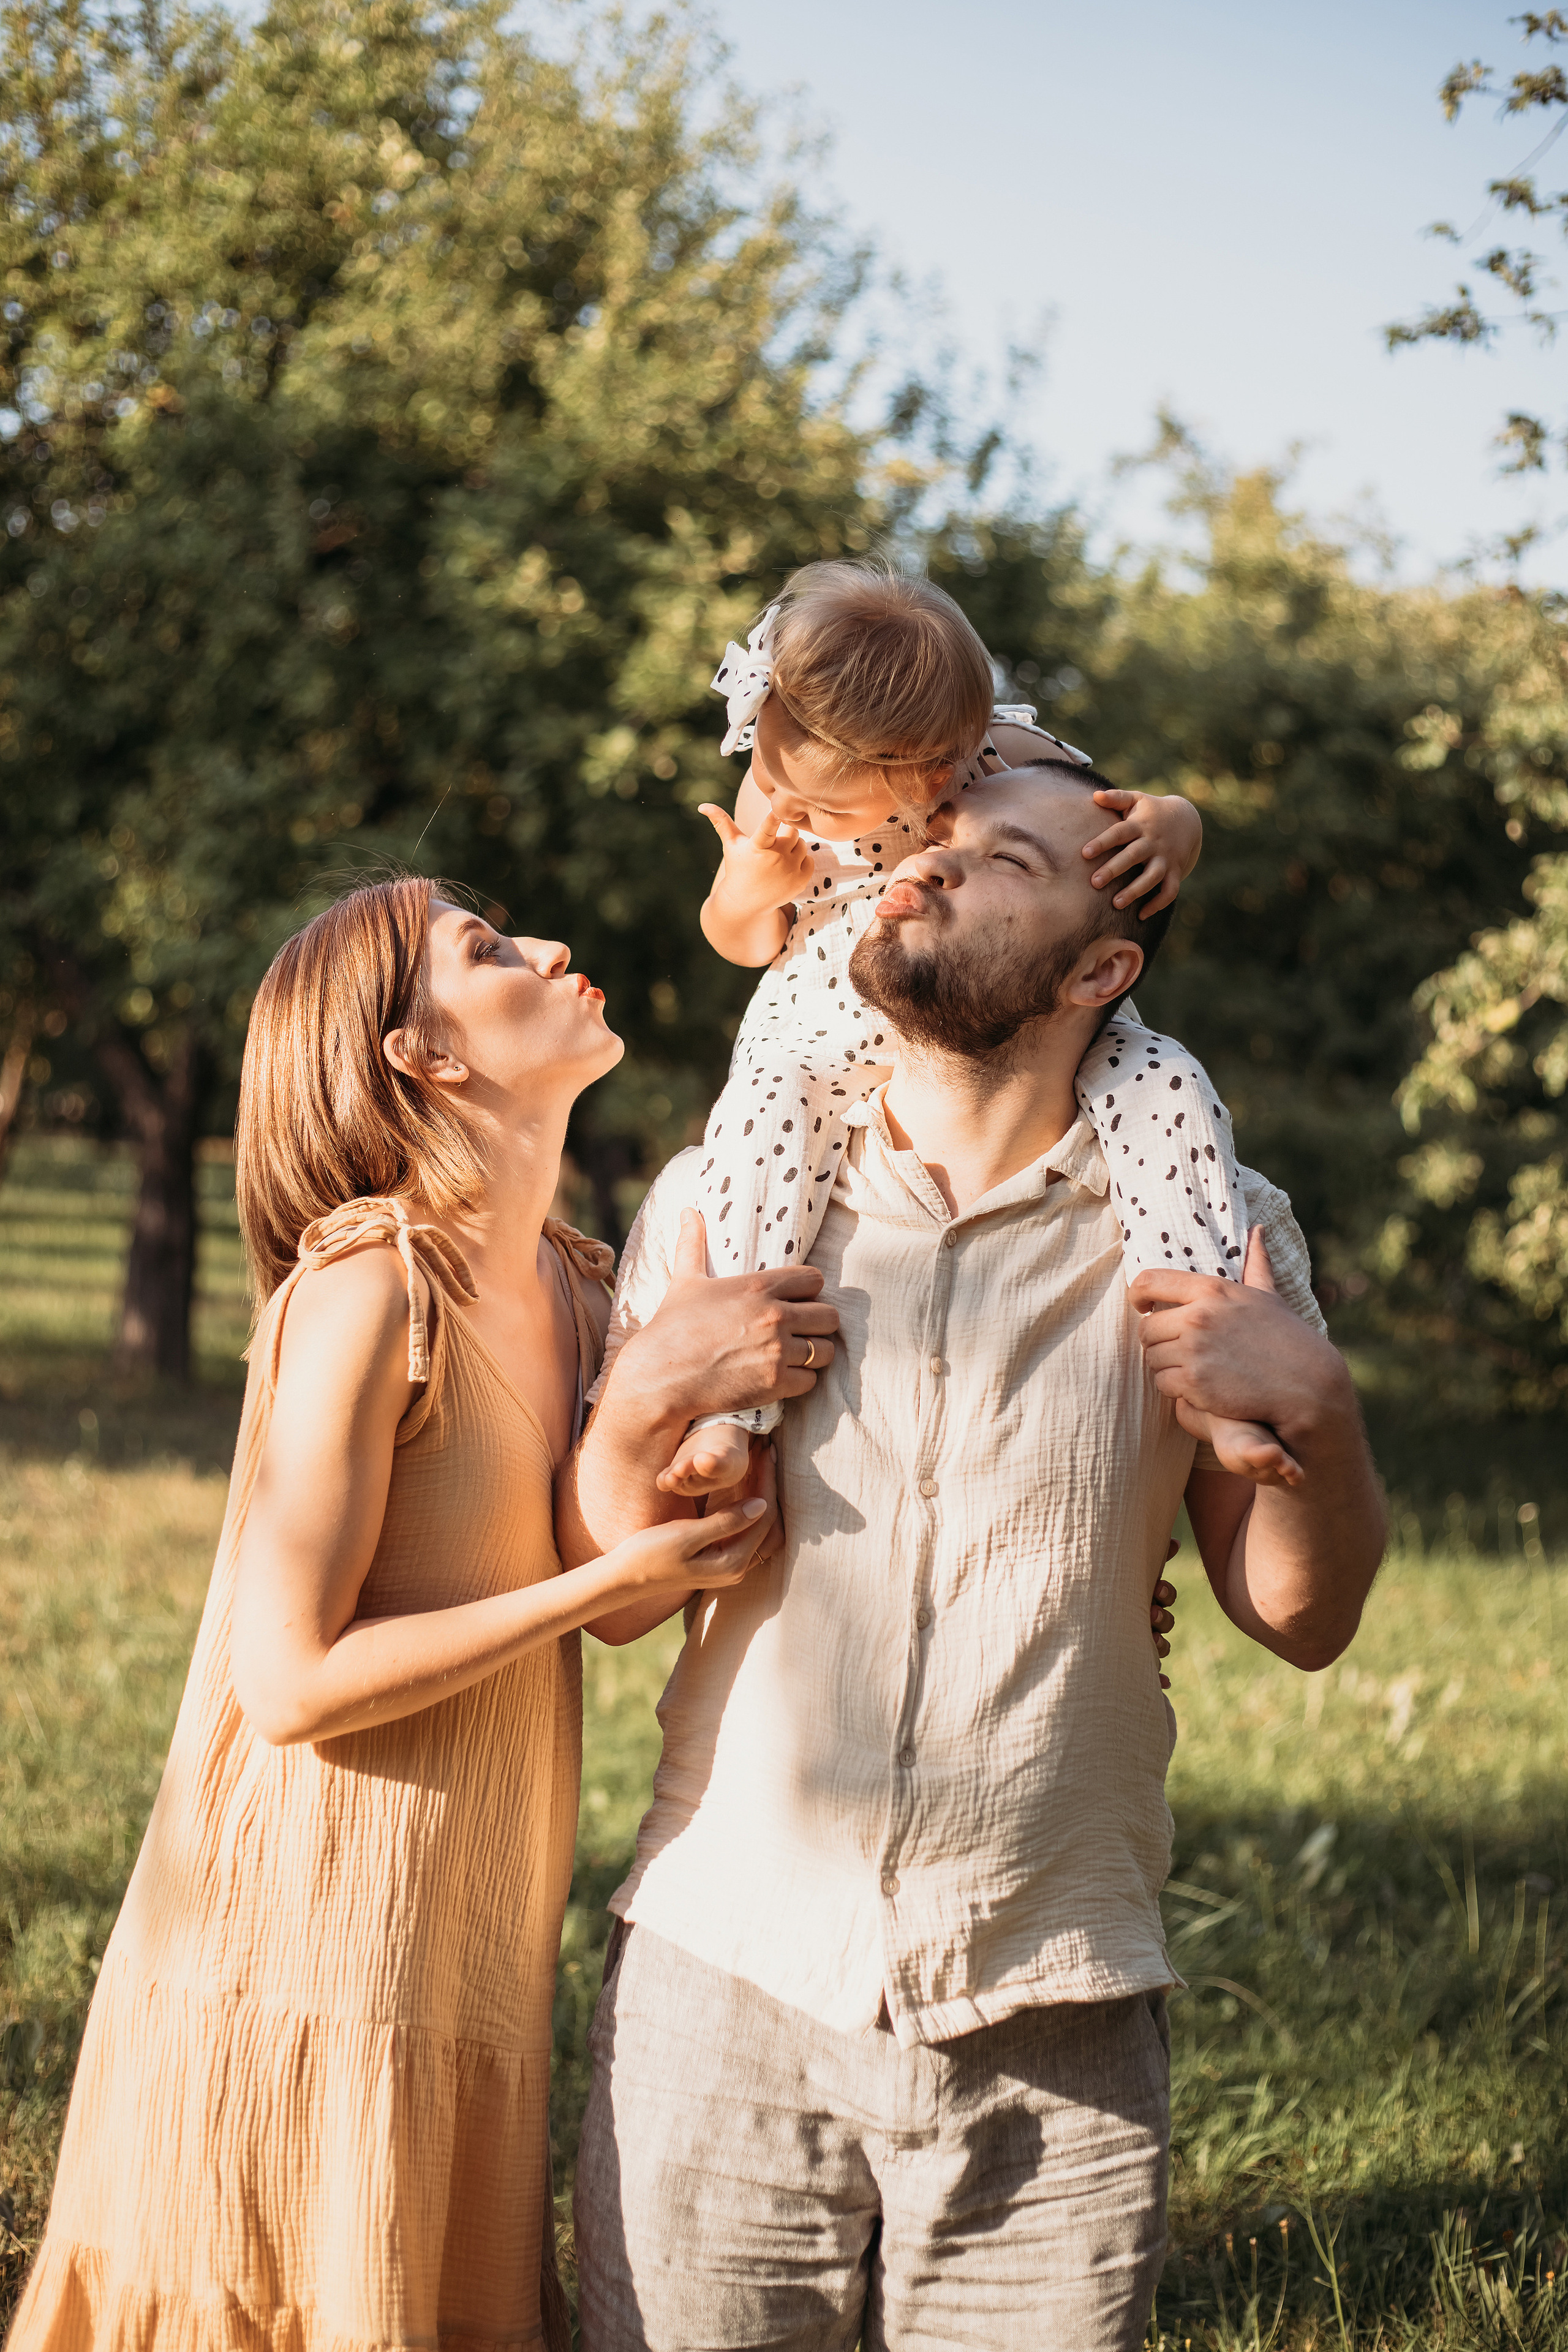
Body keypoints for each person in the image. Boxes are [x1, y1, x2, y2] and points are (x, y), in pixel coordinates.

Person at [557, 757, 1385, 2352]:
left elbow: (1299, 1614)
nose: (923, 874)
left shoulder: (1205, 1231)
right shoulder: (729, 1204)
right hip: (724, 1973)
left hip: (1053, 1999)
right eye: (925, 846)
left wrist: (1322, 1418)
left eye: (1004, 862)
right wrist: (645, 1396)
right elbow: (611, 1597)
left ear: (1099, 968)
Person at [9, 879, 776, 2351]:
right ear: (421, 1053)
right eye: (485, 951)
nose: (551, 948)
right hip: (293, 1962)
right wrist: (601, 1586)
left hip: (459, 1957)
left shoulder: (578, 1285)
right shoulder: (369, 1287)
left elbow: (619, 1600)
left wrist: (680, 1443)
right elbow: (290, 1682)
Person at [668, 558, 1289, 1502]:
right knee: (767, 1114)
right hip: (828, 1009)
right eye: (764, 762)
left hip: (1005, 997)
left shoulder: (1014, 757)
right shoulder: (776, 784)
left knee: (1163, 1078)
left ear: (933, 772)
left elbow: (1119, 814)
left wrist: (1177, 825)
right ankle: (728, 1406)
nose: (784, 805)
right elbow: (737, 940)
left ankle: (1214, 1369)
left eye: (826, 810)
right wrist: (749, 891)